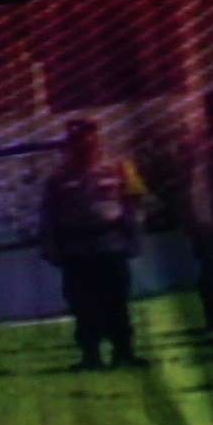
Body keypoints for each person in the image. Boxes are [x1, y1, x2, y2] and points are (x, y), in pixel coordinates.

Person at [40, 125, 145, 372]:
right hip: (76, 248)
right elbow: (48, 216)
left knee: (118, 302)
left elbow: (134, 203)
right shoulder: (57, 178)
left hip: (111, 244)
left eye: (89, 140)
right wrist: (50, 247)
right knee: (83, 305)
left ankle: (124, 352)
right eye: (78, 141)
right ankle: (91, 355)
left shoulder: (120, 168)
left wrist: (135, 236)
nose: (85, 145)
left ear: (98, 140)